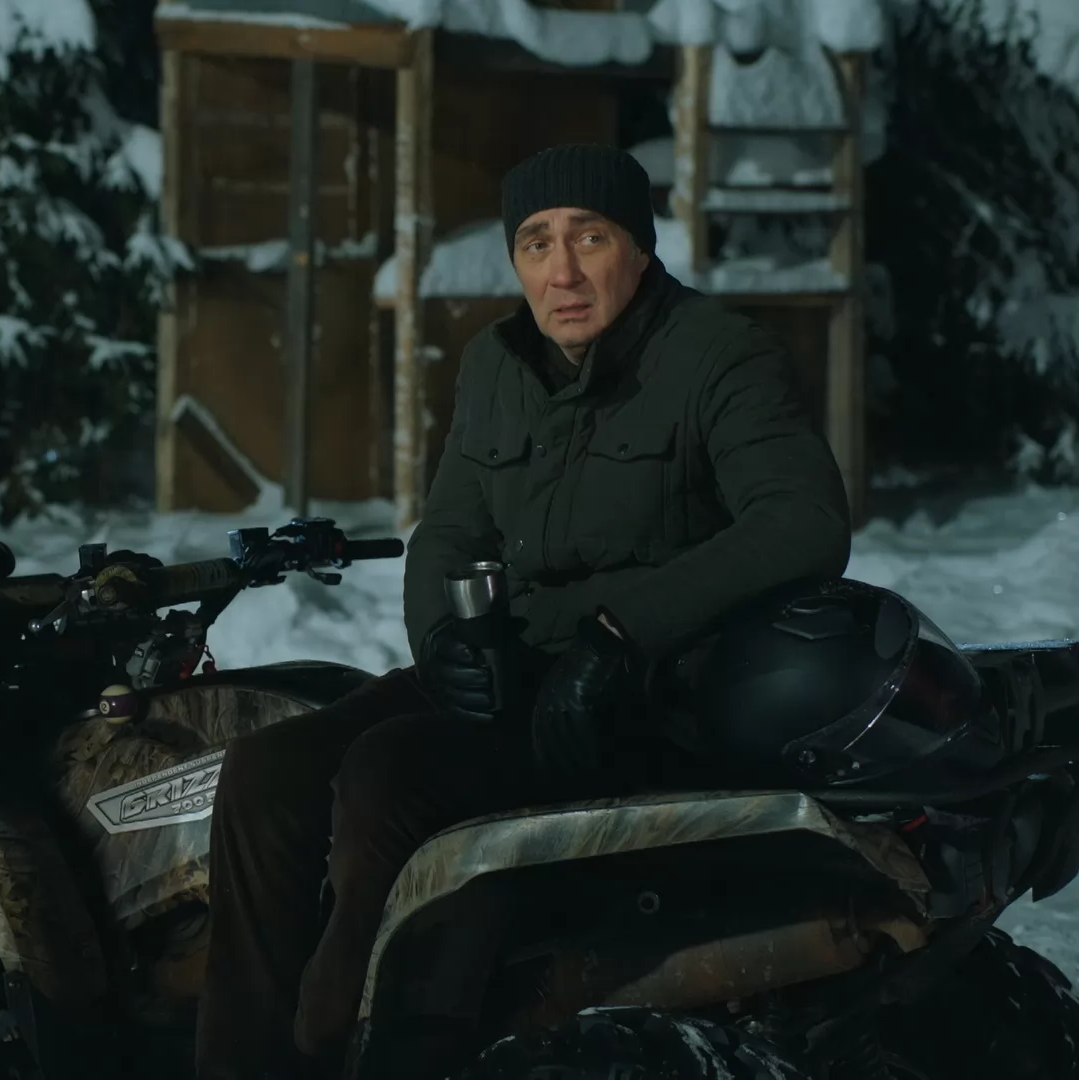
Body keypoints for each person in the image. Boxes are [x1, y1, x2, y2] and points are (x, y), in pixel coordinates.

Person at [194, 143, 853, 1078]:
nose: (563, 272)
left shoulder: (718, 354)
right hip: (515, 675)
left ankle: (345, 1039)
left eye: (591, 237)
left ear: (639, 246)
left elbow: (803, 521)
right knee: (265, 772)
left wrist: (623, 633)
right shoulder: (496, 365)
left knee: (391, 773)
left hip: (639, 696)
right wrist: (442, 640)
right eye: (537, 244)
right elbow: (447, 530)